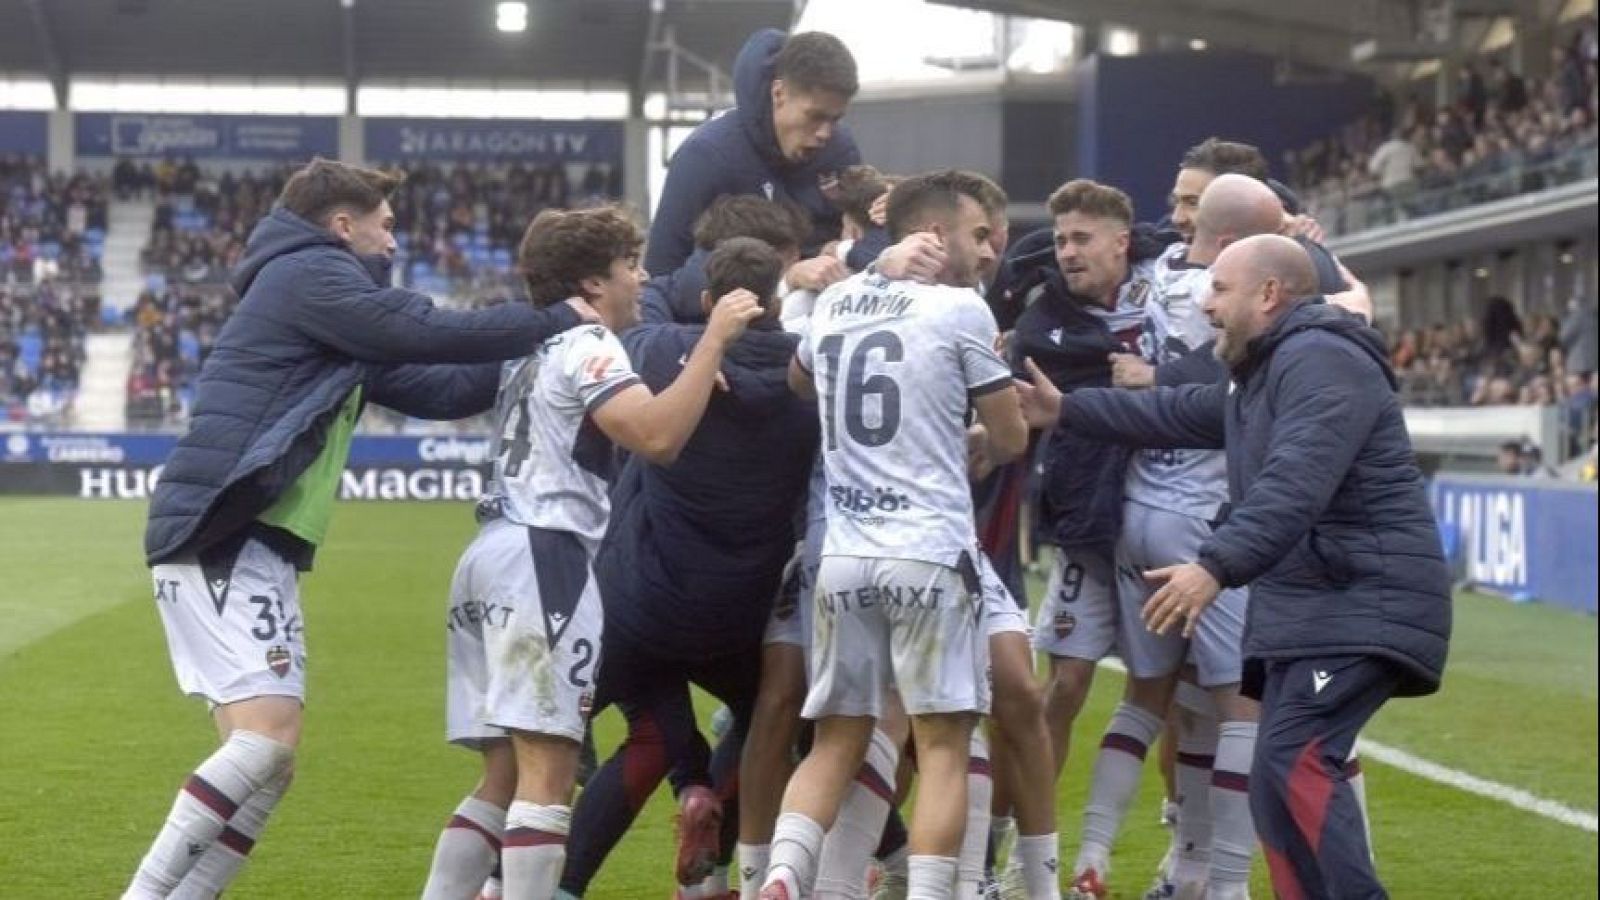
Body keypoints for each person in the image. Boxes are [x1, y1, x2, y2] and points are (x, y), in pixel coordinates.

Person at [123, 159, 598, 900]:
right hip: (223, 532)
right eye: (383, 222)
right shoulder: (310, 276)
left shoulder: (323, 307)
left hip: (251, 542)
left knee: (272, 761)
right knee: (264, 742)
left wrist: (533, 359)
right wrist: (558, 318)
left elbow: (435, 387)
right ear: (343, 225)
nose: (392, 236)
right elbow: (420, 329)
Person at [1016, 234, 1452, 900]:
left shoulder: (1319, 360)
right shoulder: (1268, 369)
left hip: (1360, 602)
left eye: (1219, 288)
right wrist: (1068, 410)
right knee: (1275, 774)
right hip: (1320, 604)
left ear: (1269, 294)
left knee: (1295, 760)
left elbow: (1293, 484)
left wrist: (1212, 566)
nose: (1206, 303)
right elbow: (1174, 410)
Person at [420, 206, 763, 900]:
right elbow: (657, 438)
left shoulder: (529, 347)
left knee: (502, 778)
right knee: (547, 774)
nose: (640, 279)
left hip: (487, 553)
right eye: (629, 267)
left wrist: (688, 373)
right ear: (592, 282)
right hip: (543, 560)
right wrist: (712, 345)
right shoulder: (587, 343)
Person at [759, 169, 1029, 900]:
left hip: (843, 555)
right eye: (978, 234)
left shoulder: (839, 299)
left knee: (836, 740)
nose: (988, 248)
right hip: (929, 552)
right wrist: (973, 431)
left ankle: (783, 877)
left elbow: (796, 379)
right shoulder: (961, 309)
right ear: (933, 235)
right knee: (943, 745)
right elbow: (1008, 437)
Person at [555, 236, 820, 900]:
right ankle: (712, 870)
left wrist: (701, 339)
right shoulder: (807, 373)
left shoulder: (663, 349)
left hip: (643, 601)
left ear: (709, 302)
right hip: (738, 612)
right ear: (779, 298)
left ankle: (532, 883)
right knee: (765, 722)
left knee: (587, 738)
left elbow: (639, 320)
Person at [646, 29, 872, 284]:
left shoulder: (840, 149)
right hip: (728, 319)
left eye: (835, 119)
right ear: (779, 94)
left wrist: (848, 241)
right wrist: (784, 280)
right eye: (815, 116)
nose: (825, 133)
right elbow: (661, 279)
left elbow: (862, 246)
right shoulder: (705, 157)